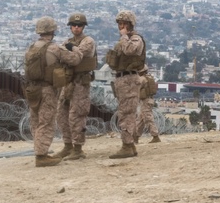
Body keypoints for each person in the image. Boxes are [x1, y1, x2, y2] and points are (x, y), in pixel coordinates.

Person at [23, 17, 81, 167]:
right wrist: (73, 47)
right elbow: (75, 59)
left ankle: (39, 150)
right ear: (52, 31)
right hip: (47, 89)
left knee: (36, 120)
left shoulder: (31, 47)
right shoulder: (54, 48)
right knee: (46, 121)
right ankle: (41, 156)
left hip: (32, 89)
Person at [55, 13, 97, 161]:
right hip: (68, 82)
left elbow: (73, 59)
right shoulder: (67, 41)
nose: (76, 28)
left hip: (80, 82)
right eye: (73, 25)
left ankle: (78, 148)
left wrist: (70, 50)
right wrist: (70, 50)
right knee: (62, 114)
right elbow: (59, 56)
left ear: (83, 27)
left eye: (79, 25)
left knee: (76, 115)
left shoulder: (88, 41)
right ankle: (68, 146)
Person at [106, 10, 146, 158]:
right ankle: (130, 146)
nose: (121, 27)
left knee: (126, 113)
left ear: (130, 24)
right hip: (122, 79)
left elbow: (130, 50)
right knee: (125, 111)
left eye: (123, 24)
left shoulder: (135, 39)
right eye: (119, 24)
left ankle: (127, 145)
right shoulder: (124, 39)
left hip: (129, 79)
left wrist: (124, 37)